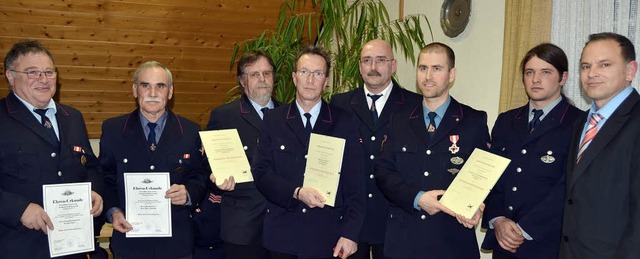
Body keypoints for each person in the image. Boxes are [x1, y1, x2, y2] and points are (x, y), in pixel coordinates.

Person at [374, 42, 488, 259]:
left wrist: (478, 206)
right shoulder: (399, 119)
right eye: (423, 68)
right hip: (404, 243)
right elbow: (383, 171)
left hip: (451, 241)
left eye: (437, 69)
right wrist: (417, 198)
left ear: (451, 74)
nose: (428, 76)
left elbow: (484, 175)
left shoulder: (473, 121)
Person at [252, 46, 365, 259]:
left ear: (326, 80)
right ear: (294, 78)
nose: (310, 80)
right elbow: (261, 173)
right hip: (282, 238)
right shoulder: (273, 120)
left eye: (318, 73)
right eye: (304, 72)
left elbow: (356, 184)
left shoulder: (344, 122)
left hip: (327, 237)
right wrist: (295, 192)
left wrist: (350, 234)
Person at [0, 40, 104, 258]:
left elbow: (90, 165)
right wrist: (18, 209)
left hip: (74, 245)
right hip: (19, 246)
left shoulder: (72, 117)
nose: (43, 80)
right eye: (32, 72)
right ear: (10, 76)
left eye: (49, 72)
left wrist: (93, 191)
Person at [481, 43, 583, 259]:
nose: (536, 79)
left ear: (562, 78)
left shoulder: (579, 123)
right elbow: (491, 175)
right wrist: (498, 219)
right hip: (504, 242)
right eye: (530, 72)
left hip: (549, 243)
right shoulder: (506, 121)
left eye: (545, 72)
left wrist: (525, 228)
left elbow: (570, 188)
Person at [100, 61, 207, 259]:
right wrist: (114, 211)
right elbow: (105, 177)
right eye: (145, 85)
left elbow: (199, 175)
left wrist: (189, 192)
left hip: (176, 244)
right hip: (130, 242)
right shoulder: (113, 130)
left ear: (170, 92)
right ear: (134, 90)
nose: (153, 92)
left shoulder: (190, 131)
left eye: (160, 86)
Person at [331, 39, 421, 259]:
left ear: (393, 65)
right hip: (352, 220)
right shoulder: (339, 104)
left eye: (381, 60)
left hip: (394, 217)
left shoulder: (414, 105)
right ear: (360, 67)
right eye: (367, 61)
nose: (373, 67)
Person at [559, 32, 640, 259]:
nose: (592, 74)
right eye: (585, 66)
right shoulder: (580, 123)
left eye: (604, 65)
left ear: (630, 70)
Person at [198, 50, 280, 259]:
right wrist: (214, 177)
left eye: (267, 73)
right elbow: (208, 162)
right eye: (254, 74)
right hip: (243, 227)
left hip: (284, 223)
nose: (262, 80)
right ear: (242, 81)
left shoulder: (289, 114)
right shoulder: (224, 116)